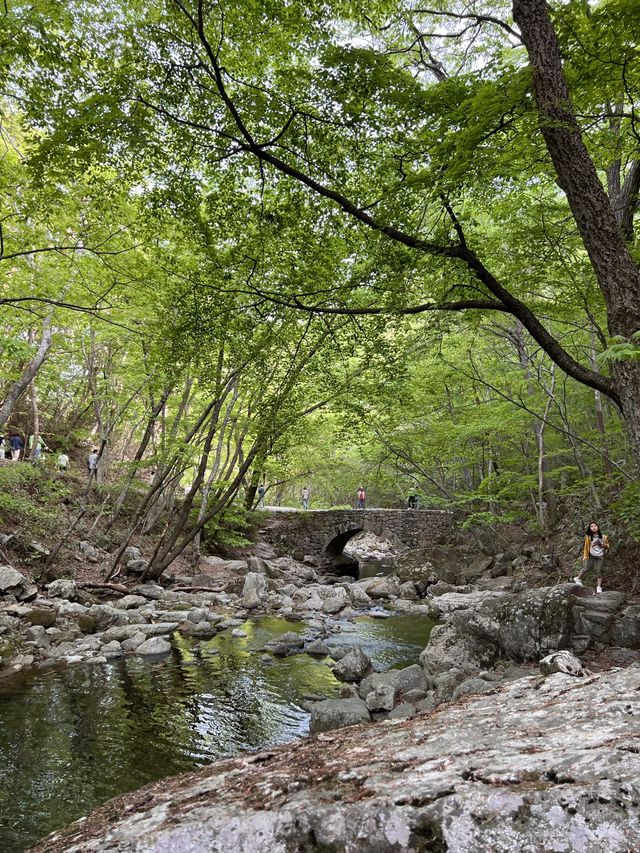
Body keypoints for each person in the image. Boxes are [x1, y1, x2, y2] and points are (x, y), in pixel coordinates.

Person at [574, 521, 610, 594]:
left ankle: (599, 587)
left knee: (599, 571)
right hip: (591, 555)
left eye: (595, 526)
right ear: (590, 529)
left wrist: (601, 544)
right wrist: (585, 556)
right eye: (591, 526)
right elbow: (585, 547)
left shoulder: (604, 537)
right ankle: (578, 578)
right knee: (586, 568)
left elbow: (607, 546)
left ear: (598, 527)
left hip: (600, 556)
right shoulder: (588, 537)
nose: (594, 527)